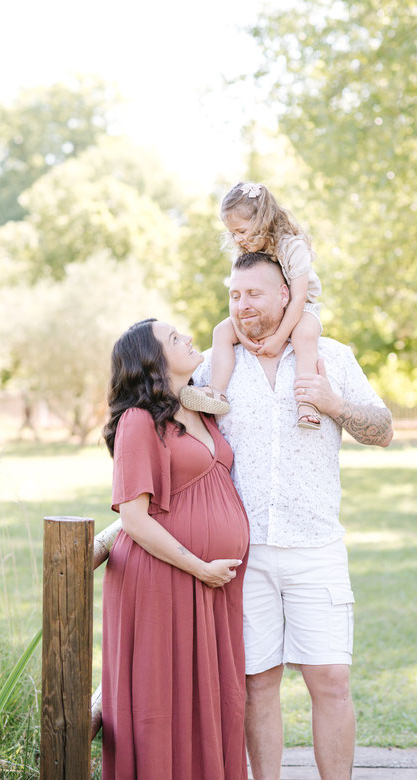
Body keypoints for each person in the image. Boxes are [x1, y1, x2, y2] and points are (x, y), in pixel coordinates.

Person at [193, 253, 393, 780]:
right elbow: (166, 418)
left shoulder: (330, 355)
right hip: (243, 554)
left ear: (287, 294)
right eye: (234, 296)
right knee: (258, 682)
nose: (242, 306)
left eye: (253, 294)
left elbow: (384, 428)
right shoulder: (216, 366)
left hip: (316, 546)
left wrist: (334, 403)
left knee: (330, 679)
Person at [101, 318, 250, 780]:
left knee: (212, 697)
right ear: (152, 358)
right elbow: (133, 518)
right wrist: (198, 566)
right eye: (173, 337)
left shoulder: (199, 409)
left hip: (211, 581)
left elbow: (225, 335)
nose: (186, 337)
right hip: (164, 579)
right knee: (162, 699)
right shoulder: (138, 421)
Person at [180, 180, 324, 429]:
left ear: (262, 221)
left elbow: (298, 297)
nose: (238, 238)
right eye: (232, 233)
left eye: (242, 231)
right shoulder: (248, 250)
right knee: (221, 332)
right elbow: (238, 296)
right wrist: (243, 336)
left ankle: (307, 403)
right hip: (266, 308)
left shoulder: (292, 246)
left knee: (304, 336)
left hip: (302, 308)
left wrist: (279, 337)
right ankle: (216, 392)